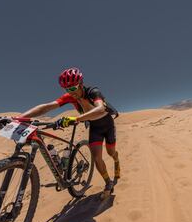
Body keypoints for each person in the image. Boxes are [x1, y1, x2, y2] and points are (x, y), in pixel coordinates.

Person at [19, 67, 120, 198]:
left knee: (111, 152)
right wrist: (19, 118)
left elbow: (100, 108)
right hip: (95, 127)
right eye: (67, 89)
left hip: (107, 125)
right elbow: (47, 106)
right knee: (96, 158)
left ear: (81, 84)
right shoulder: (70, 97)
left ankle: (117, 161)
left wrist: (77, 118)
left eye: (73, 88)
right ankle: (108, 183)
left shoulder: (93, 92)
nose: (71, 92)